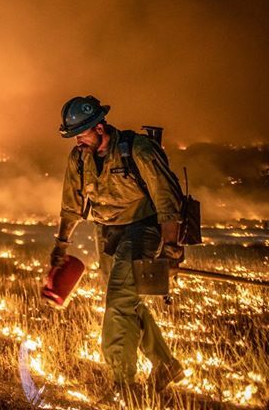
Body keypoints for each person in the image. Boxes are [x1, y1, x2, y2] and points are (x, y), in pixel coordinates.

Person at [51, 96, 184, 399]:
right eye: (74, 136)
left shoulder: (138, 149)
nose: (78, 141)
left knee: (118, 305)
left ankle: (123, 385)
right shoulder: (79, 158)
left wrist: (171, 251)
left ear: (100, 126)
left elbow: (167, 203)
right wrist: (60, 247)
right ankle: (166, 364)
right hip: (107, 234)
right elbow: (71, 207)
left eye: (83, 133)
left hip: (142, 229)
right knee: (127, 303)